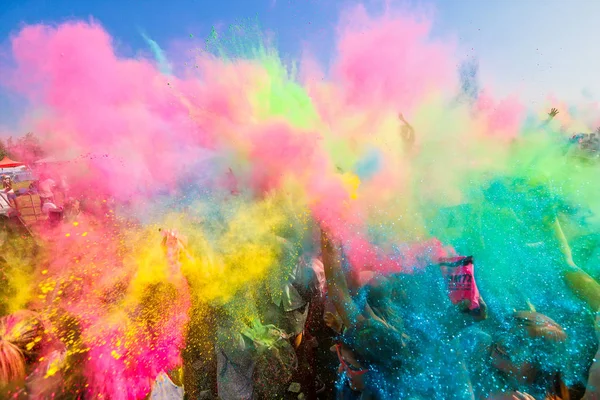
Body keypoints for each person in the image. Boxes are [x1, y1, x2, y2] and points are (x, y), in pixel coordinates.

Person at [320, 229, 406, 399]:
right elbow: (340, 291)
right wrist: (329, 225)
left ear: (378, 370)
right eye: (344, 362)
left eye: (352, 366)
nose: (340, 369)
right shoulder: (372, 334)